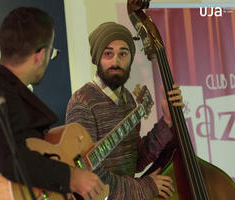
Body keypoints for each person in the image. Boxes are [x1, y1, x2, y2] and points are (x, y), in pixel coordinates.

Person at [0, 7, 104, 200]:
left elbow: (30, 158)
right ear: (39, 55)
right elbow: (8, 158)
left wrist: (59, 190)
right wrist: (71, 176)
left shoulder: (8, 92)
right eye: (51, 52)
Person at [66, 22, 184, 200]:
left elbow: (134, 161)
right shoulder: (82, 102)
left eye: (123, 53)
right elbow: (88, 178)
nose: (115, 61)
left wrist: (166, 120)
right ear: (97, 59)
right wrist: (145, 187)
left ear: (130, 58)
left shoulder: (127, 99)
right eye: (108, 54)